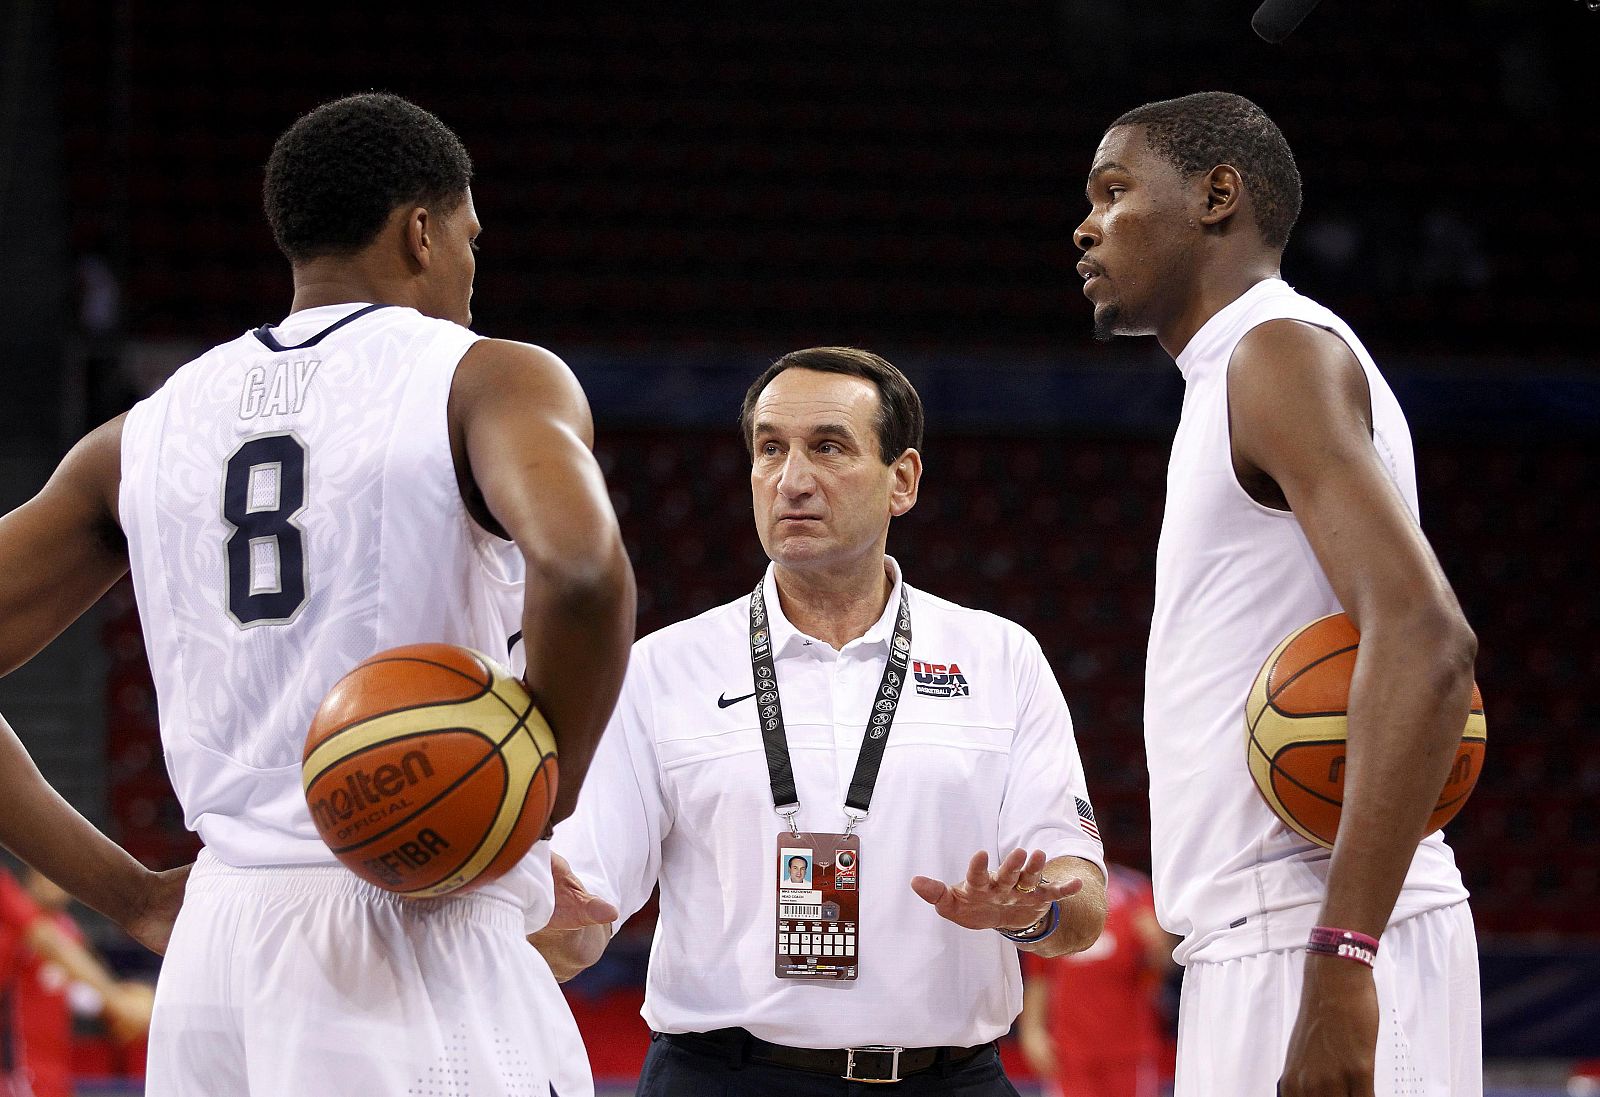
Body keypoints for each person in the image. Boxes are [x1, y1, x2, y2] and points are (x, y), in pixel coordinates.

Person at [0, 92, 635, 1096]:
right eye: (470, 239)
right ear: (421, 232)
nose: (472, 272)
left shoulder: (142, 429)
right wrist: (526, 811)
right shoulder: (486, 378)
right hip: (413, 927)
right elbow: (587, 570)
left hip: (216, 945)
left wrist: (127, 894)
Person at [536, 347, 1109, 1095]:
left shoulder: (1001, 658)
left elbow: (1083, 904)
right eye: (770, 448)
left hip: (949, 1079)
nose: (792, 479)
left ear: (902, 480)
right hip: (722, 1078)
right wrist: (534, 910)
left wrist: (1030, 913)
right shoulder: (662, 668)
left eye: (828, 447)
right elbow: (581, 922)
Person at [1073, 92, 1481, 1096]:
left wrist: (1342, 954)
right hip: (1258, 933)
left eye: (1114, 191)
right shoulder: (1237, 370)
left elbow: (1426, 636)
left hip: (1315, 926)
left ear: (1219, 195)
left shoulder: (1276, 351)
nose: (1086, 224)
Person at [1016, 864, 1176, 1097]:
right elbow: (1039, 976)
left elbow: (1162, 967)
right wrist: (1032, 1031)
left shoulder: (1134, 891)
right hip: (1068, 1051)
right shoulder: (1051, 892)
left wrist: (1159, 944)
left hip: (1129, 1051)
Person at [10, 866, 155, 1097]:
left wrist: (122, 1004)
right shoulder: (15, 922)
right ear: (32, 874)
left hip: (54, 1067)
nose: (55, 886)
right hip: (17, 1062)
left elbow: (76, 992)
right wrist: (118, 1001)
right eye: (47, 877)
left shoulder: (68, 929)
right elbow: (45, 941)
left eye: (60, 880)